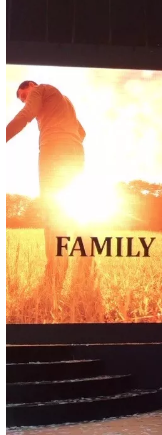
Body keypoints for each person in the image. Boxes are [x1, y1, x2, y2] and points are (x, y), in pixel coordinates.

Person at [6, 81, 87, 290]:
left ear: (31, 86)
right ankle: (86, 270)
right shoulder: (64, 100)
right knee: (76, 210)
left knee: (52, 211)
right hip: (75, 152)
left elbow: (26, 115)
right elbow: (82, 132)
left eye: (24, 96)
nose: (25, 100)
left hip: (53, 150)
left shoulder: (40, 89)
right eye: (23, 99)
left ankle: (54, 275)